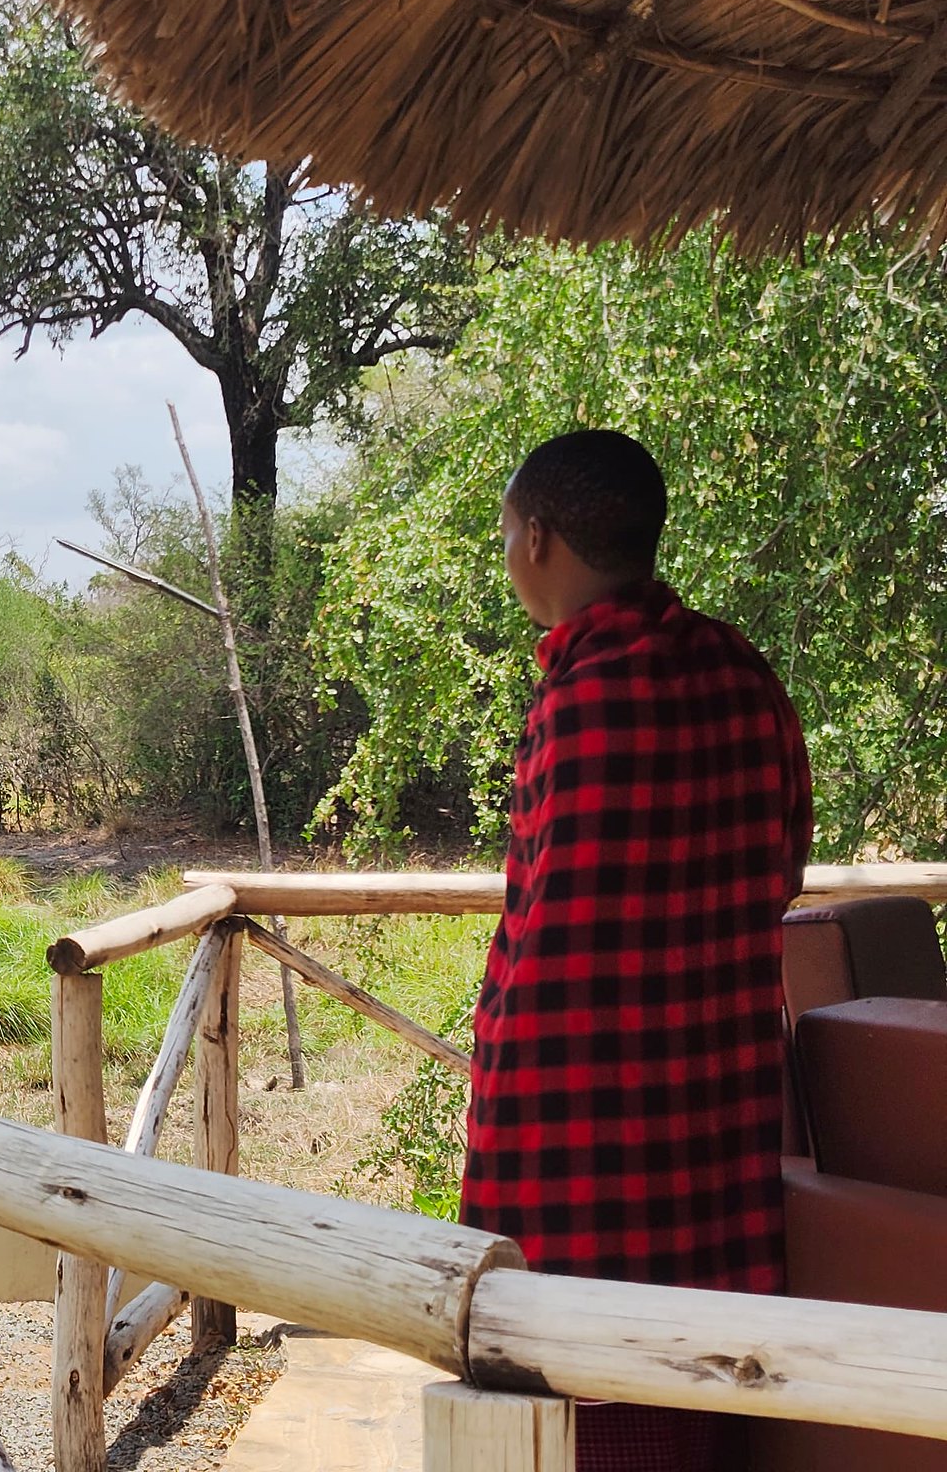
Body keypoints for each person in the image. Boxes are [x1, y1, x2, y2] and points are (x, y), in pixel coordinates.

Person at [463, 429, 813, 1472]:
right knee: (704, 1366)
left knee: (581, 1383)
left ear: (538, 539)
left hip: (573, 1136)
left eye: (504, 536)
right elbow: (784, 868)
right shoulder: (742, 677)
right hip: (720, 1112)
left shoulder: (580, 699)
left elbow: (536, 939)